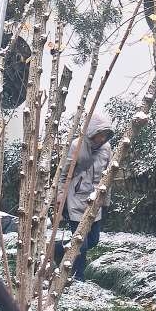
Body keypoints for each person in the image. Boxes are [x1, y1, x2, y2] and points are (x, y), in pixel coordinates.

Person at [54, 110, 114, 281]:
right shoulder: (76, 146)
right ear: (92, 131)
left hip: (95, 200)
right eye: (99, 134)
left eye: (105, 135)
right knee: (82, 243)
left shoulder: (107, 149)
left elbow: (109, 175)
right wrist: (60, 197)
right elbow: (64, 175)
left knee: (93, 240)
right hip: (76, 200)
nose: (102, 138)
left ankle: (58, 250)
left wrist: (105, 201)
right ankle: (77, 277)